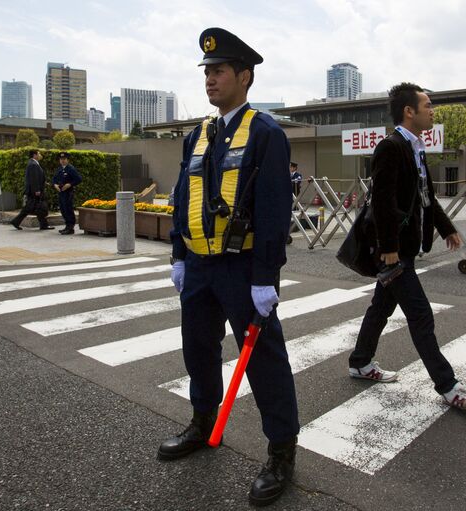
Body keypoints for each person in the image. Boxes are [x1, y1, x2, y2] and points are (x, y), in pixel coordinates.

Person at [160, 27, 299, 507]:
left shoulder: (265, 133)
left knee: (263, 361)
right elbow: (184, 198)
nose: (210, 79)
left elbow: (275, 211)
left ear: (245, 76)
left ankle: (281, 451)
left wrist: (266, 277)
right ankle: (202, 423)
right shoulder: (198, 134)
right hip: (198, 266)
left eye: (219, 71)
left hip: (243, 270)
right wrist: (178, 253)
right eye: (207, 72)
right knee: (197, 349)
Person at [347, 82, 466, 412]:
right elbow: (382, 201)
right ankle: (449, 386)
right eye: (427, 105)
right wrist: (389, 248)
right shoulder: (391, 146)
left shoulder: (415, 147)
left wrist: (446, 227)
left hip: (404, 247)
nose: (432, 110)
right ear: (409, 111)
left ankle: (360, 362)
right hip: (394, 251)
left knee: (381, 307)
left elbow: (424, 197)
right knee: (420, 315)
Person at [10, 149, 54, 231]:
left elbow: (37, 177)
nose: (40, 155)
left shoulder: (33, 163)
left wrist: (44, 183)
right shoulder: (33, 164)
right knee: (38, 207)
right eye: (39, 153)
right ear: (34, 155)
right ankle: (16, 221)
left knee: (36, 208)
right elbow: (34, 179)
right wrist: (37, 190)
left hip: (34, 190)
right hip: (35, 191)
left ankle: (43, 225)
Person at [52, 152, 82, 235]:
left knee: (68, 209)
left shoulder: (70, 168)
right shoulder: (59, 169)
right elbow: (54, 179)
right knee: (63, 209)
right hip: (61, 192)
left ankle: (70, 227)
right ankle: (67, 226)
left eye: (64, 159)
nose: (62, 161)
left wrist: (70, 184)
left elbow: (79, 179)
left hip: (68, 192)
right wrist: (55, 185)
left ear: (67, 160)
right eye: (61, 159)